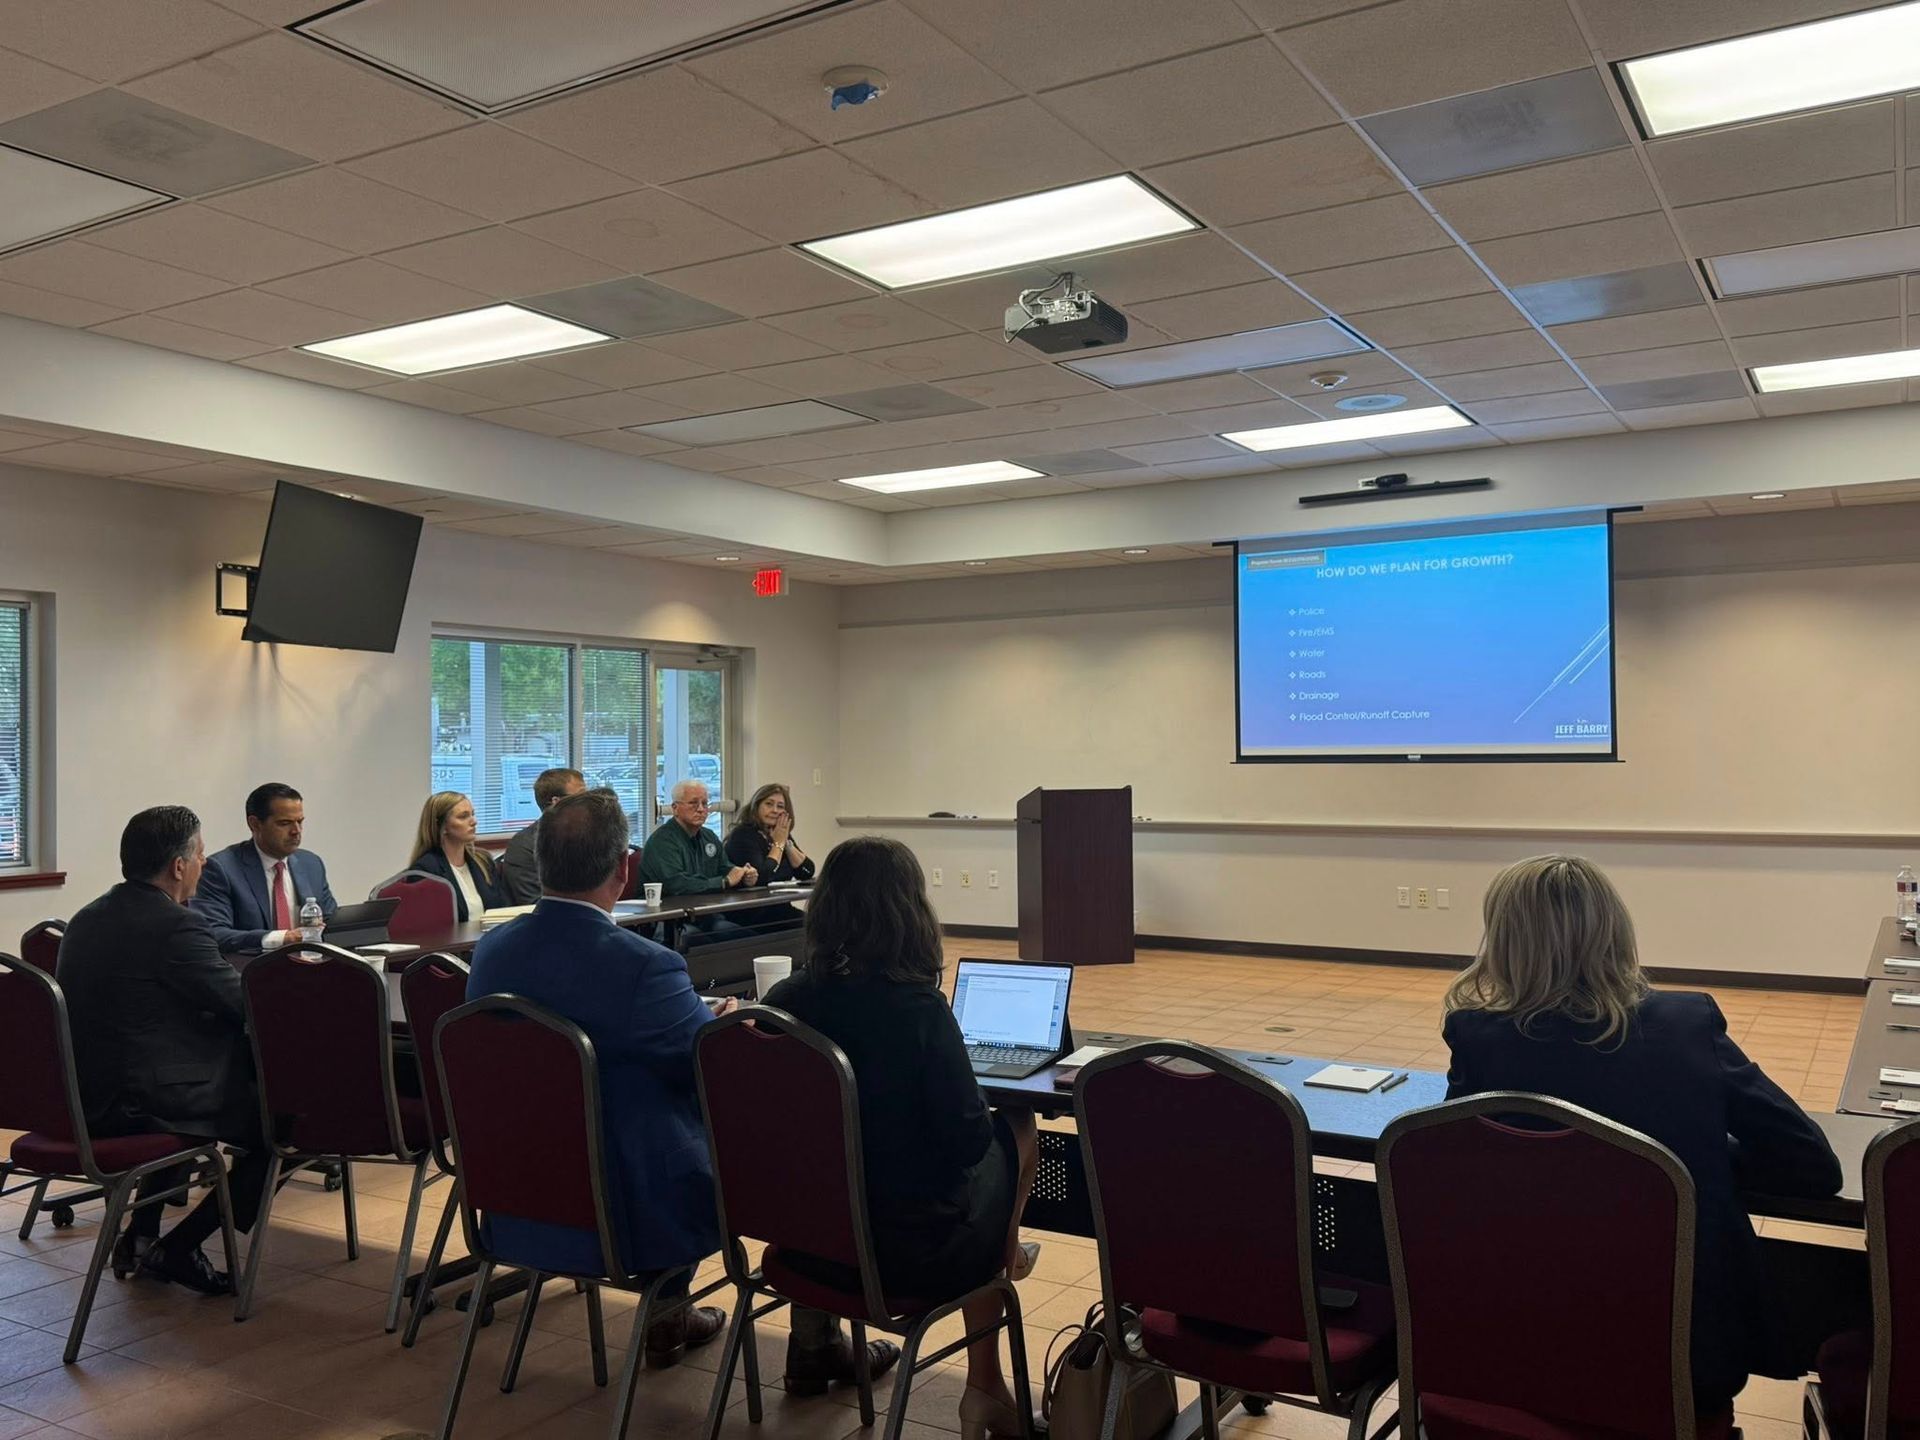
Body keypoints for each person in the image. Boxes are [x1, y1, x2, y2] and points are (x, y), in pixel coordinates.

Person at [1442, 854, 1843, 1412]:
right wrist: (1695, 1157)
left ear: (1501, 940)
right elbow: (1812, 1165)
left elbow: (1463, 1161)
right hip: (1683, 1348)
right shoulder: (1686, 1025)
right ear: (1616, 930)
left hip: (1523, 1334)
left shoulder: (1476, 1036)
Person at [763, 836, 1039, 1436]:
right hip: (906, 1258)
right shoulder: (919, 1010)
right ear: (910, 910)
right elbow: (968, 1146)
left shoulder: (783, 1004)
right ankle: (989, 1358)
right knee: (1017, 1128)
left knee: (830, 1165)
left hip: (804, 1246)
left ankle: (814, 1342)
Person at [465, 789, 728, 1367]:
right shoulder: (644, 965)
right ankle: (668, 1308)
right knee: (709, 1129)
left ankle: (670, 1313)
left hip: (513, 1189)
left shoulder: (491, 953)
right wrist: (714, 1021)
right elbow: (705, 1067)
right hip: (625, 1201)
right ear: (624, 868)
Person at [57, 805, 273, 1295]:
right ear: (179, 866)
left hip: (85, 1096)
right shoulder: (176, 926)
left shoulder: (86, 918)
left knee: (193, 1087)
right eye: (200, 855)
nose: (203, 864)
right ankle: (178, 1248)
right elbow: (244, 1005)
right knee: (277, 1129)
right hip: (140, 1104)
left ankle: (142, 1236)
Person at [191, 782, 338, 954]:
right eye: (285, 823)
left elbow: (333, 924)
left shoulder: (311, 864)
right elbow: (214, 933)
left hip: (311, 969)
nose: (296, 831)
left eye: (300, 822)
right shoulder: (221, 869)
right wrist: (283, 938)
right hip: (251, 973)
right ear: (255, 824)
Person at [640, 780, 754, 897]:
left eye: (704, 804)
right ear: (675, 808)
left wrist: (743, 875)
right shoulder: (662, 841)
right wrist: (724, 882)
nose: (700, 809)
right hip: (670, 909)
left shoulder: (709, 836)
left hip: (703, 905)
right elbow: (676, 884)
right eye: (693, 803)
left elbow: (724, 868)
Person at [408, 791, 506, 922]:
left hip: (490, 938)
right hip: (454, 942)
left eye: (473, 814)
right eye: (463, 817)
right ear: (442, 826)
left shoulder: (483, 861)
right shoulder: (426, 869)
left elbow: (503, 909)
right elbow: (430, 924)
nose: (473, 822)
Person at [498, 767, 585, 905]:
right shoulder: (524, 846)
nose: (589, 801)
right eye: (582, 796)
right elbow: (532, 903)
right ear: (557, 802)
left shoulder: (589, 837)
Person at [724, 783, 816, 888]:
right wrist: (778, 844)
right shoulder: (743, 834)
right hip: (753, 902)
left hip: (779, 902)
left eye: (780, 806)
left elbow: (807, 872)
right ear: (756, 806)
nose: (775, 810)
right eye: (769, 804)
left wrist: (787, 844)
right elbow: (762, 877)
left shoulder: (779, 833)